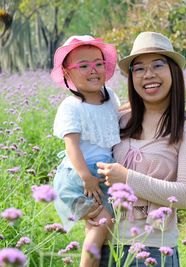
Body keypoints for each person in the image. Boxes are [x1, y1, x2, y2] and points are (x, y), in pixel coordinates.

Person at [96, 32, 186, 267]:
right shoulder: (117, 120)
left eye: (158, 65)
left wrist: (127, 178)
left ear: (173, 72)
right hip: (104, 244)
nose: (149, 75)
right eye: (139, 68)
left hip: (153, 250)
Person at [51, 35, 120, 267]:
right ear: (67, 73)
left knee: (100, 223)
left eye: (98, 63)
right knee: (102, 223)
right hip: (78, 176)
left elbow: (121, 114)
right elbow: (71, 145)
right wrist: (86, 178)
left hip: (99, 173)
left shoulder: (110, 97)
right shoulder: (71, 106)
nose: (93, 70)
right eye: (83, 66)